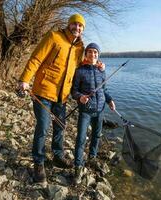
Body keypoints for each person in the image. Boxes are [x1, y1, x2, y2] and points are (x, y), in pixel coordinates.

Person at [17, 14, 104, 184]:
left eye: (80, 26)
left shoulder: (80, 47)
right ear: (69, 24)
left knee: (60, 127)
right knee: (42, 127)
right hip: (43, 91)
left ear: (82, 29)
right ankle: (39, 162)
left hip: (62, 96)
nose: (77, 28)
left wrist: (99, 65)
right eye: (74, 24)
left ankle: (57, 155)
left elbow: (83, 65)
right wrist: (24, 80)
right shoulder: (54, 37)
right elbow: (36, 58)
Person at [71, 43, 116, 184]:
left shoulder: (101, 70)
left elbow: (104, 90)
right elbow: (73, 91)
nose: (93, 54)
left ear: (98, 54)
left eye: (95, 52)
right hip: (86, 111)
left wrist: (109, 100)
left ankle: (92, 157)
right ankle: (78, 167)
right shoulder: (79, 71)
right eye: (90, 52)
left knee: (96, 135)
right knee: (81, 138)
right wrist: (80, 97)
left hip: (100, 109)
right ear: (86, 54)